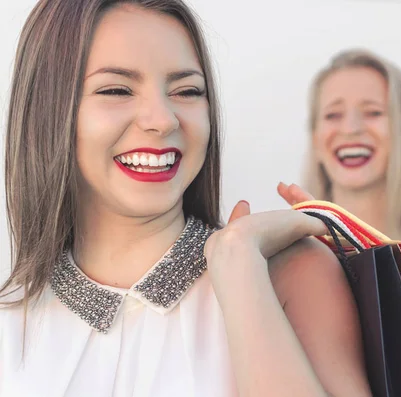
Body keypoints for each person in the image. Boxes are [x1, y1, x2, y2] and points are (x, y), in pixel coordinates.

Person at [0, 1, 372, 396]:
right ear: (47, 109)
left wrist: (239, 261)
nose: (162, 119)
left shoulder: (289, 274)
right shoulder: (11, 319)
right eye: (116, 89)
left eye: (187, 91)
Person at [290, 48, 401, 242]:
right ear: (314, 138)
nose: (350, 129)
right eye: (333, 115)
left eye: (373, 112)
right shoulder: (280, 261)